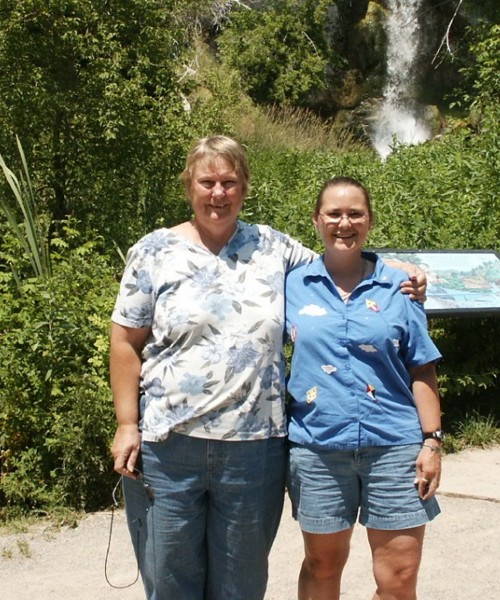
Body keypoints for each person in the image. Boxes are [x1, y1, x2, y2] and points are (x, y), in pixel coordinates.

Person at [110, 137, 427, 600]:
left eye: (229, 182)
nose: (218, 193)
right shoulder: (154, 251)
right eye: (208, 182)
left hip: (254, 449)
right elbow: (125, 341)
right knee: (171, 583)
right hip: (169, 445)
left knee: (240, 587)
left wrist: (398, 269)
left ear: (244, 188)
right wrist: (126, 424)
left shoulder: (273, 247)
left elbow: (339, 263)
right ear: (189, 186)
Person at [285, 176, 443, 600]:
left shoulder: (399, 286)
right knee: (321, 566)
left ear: (369, 220)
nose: (344, 223)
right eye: (334, 214)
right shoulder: (291, 285)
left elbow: (422, 367)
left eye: (355, 213)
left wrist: (432, 442)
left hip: (394, 446)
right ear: (316, 220)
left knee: (399, 577)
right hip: (318, 448)